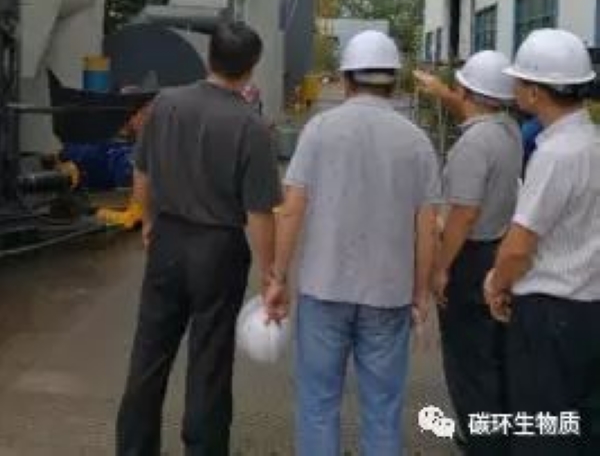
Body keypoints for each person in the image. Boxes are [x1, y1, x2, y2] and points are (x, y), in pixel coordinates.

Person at [265, 30, 440, 456]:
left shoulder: (320, 130)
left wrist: (277, 278)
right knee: (382, 409)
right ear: (394, 82)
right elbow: (427, 226)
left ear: (345, 80)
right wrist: (421, 292)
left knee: (317, 403)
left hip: (324, 289)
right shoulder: (416, 141)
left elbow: (292, 209)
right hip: (388, 294)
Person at [116, 22, 282, 456]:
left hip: (168, 239)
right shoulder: (251, 126)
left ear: (209, 57)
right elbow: (259, 214)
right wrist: (271, 275)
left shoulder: (165, 104)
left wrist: (149, 221)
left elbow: (142, 172)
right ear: (251, 68)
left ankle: (134, 448)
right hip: (219, 249)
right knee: (210, 360)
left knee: (149, 353)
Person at [484, 28, 600, 454]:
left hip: (550, 314)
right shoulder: (591, 142)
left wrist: (496, 284)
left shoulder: (554, 155)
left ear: (535, 92)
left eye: (519, 81)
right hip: (588, 308)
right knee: (580, 427)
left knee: (541, 431)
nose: (514, 88)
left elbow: (519, 246)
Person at [417, 51, 522, 454]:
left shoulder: (473, 145)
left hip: (469, 257)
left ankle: (481, 443)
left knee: (467, 359)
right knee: (493, 353)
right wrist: (442, 92)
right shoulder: (509, 130)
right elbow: (473, 106)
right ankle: (498, 433)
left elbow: (463, 215)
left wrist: (440, 268)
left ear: (467, 92)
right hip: (498, 249)